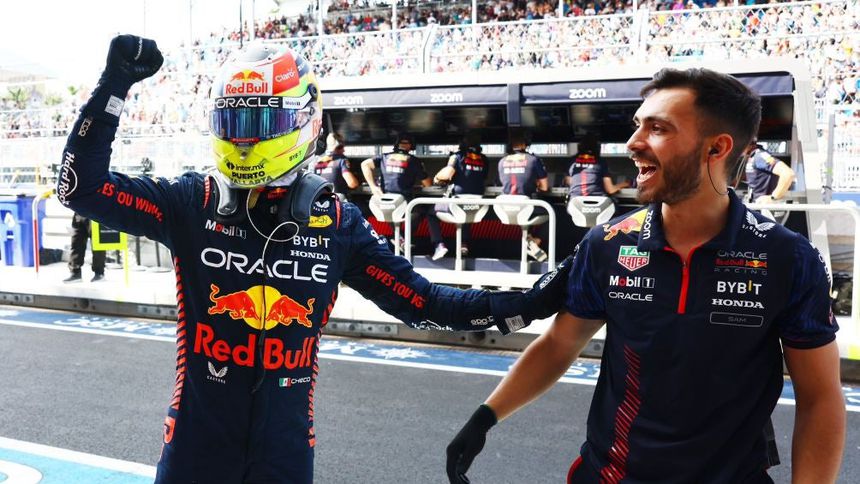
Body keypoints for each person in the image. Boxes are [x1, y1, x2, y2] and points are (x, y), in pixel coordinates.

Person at [59, 35, 571, 484]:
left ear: (304, 122)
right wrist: (114, 85)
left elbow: (426, 303)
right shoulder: (193, 202)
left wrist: (527, 304)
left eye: (261, 120)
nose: (244, 137)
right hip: (196, 446)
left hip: (283, 455)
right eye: (233, 120)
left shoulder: (337, 223)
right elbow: (79, 188)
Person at [447, 67, 845, 483]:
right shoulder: (607, 244)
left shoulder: (788, 258)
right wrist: (485, 417)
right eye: (638, 125)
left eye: (658, 128)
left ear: (717, 148)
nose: (633, 143)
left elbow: (820, 397)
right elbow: (559, 344)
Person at [361, 133, 449, 260]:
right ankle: (411, 239)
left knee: (389, 209)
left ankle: (399, 238)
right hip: (404, 206)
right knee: (422, 210)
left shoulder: (384, 157)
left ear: (396, 145)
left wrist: (373, 187)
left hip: (383, 205)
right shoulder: (414, 161)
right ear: (411, 146)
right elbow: (428, 184)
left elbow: (365, 164)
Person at [433, 131, 488, 256]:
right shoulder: (484, 159)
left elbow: (446, 175)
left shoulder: (457, 156)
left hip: (458, 202)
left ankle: (439, 245)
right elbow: (483, 177)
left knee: (430, 212)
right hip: (478, 204)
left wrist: (436, 178)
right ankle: (463, 243)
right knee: (467, 209)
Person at [497, 131, 549, 261]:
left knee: (528, 210)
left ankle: (529, 240)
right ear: (525, 144)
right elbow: (544, 187)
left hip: (505, 208)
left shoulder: (502, 161)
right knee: (551, 212)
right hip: (524, 206)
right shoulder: (533, 160)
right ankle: (534, 241)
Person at [565, 133, 630, 198]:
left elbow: (569, 181)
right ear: (597, 148)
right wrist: (625, 184)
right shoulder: (600, 162)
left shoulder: (572, 161)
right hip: (597, 200)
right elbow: (610, 190)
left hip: (575, 200)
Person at [308, 132, 359, 199]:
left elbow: (310, 185)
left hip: (319, 200)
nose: (343, 150)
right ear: (336, 147)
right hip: (338, 200)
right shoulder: (341, 160)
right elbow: (352, 183)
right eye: (340, 147)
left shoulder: (314, 161)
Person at [63, 213, 105, 282]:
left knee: (97, 245)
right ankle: (75, 273)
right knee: (76, 243)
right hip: (79, 213)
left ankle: (99, 273)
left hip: (95, 213)